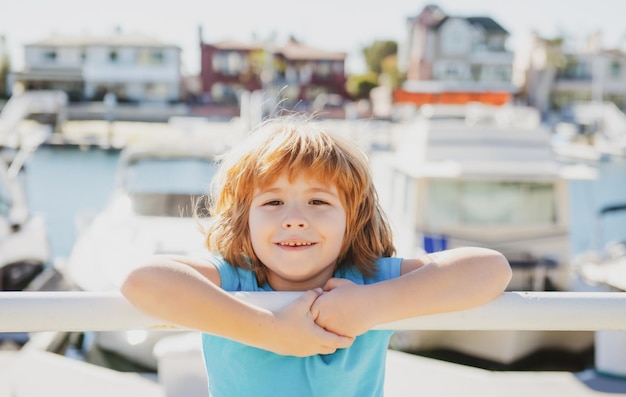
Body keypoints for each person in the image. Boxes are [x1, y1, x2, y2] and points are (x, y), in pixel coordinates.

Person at [121, 118, 512, 397]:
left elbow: (491, 269)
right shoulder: (236, 279)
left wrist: (372, 306)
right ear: (245, 219)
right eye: (273, 201)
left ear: (352, 217)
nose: (294, 220)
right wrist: (270, 330)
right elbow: (142, 282)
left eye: (317, 201)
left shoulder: (368, 280)